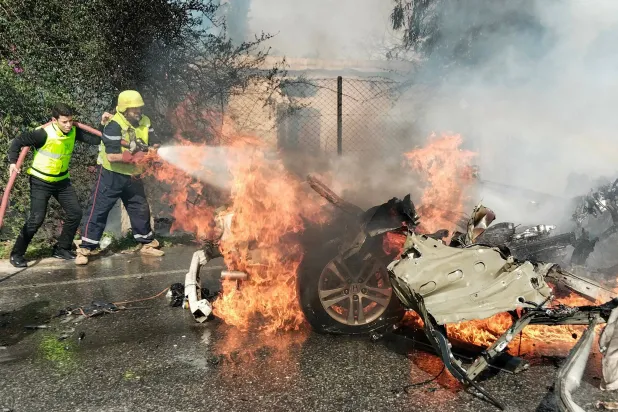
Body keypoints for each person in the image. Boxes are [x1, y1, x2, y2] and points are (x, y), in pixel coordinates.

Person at [7, 103, 103, 268]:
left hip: (62, 181)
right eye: (64, 122)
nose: (68, 125)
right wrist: (13, 162)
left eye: (71, 121)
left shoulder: (73, 130)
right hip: (40, 181)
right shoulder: (43, 134)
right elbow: (18, 141)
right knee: (36, 218)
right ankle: (16, 254)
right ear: (54, 120)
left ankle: (62, 249)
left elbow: (95, 139)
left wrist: (102, 124)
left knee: (75, 213)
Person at [76, 90, 164, 265]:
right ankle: (85, 248)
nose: (138, 112)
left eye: (139, 108)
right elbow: (111, 156)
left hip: (134, 174)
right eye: (134, 109)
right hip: (111, 175)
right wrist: (132, 157)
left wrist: (152, 150)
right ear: (124, 109)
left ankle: (146, 243)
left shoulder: (145, 121)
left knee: (139, 208)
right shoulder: (114, 125)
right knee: (99, 209)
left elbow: (155, 141)